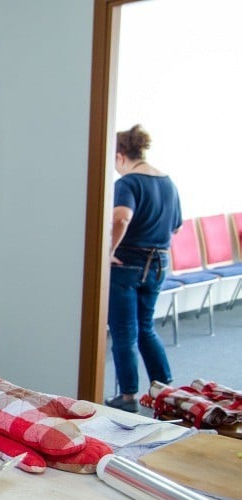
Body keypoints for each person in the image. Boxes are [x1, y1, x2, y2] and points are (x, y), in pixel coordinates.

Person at [106, 124, 181, 412]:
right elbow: (175, 226)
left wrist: (109, 251)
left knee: (124, 331)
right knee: (146, 327)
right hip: (159, 262)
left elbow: (121, 218)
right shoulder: (168, 182)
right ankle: (167, 391)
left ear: (121, 156)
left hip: (128, 264)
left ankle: (127, 398)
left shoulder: (128, 184)